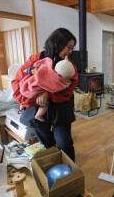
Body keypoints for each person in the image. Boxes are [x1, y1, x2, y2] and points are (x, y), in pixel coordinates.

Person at [12, 28, 78, 162]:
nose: (70, 52)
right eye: (68, 48)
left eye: (72, 48)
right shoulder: (36, 59)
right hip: (38, 107)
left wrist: (48, 94)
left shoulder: (68, 64)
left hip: (61, 109)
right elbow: (18, 82)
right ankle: (53, 164)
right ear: (58, 43)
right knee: (46, 143)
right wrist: (34, 99)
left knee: (65, 143)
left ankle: (71, 173)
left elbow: (69, 88)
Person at [19, 56, 75, 122]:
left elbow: (35, 70)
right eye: (67, 78)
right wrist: (66, 86)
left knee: (26, 98)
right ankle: (38, 115)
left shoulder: (45, 69)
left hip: (31, 88)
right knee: (45, 104)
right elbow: (59, 90)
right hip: (37, 90)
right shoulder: (58, 83)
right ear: (59, 75)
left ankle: (21, 107)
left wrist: (28, 70)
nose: (68, 81)